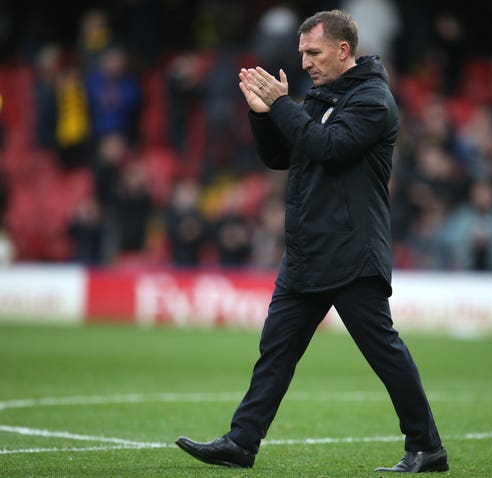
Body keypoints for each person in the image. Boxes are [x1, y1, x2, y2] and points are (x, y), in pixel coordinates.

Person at [175, 9, 448, 474]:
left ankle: (427, 447)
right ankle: (242, 441)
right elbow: (282, 155)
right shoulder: (324, 95)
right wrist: (263, 114)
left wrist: (283, 105)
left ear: (344, 51)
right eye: (302, 52)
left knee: (383, 352)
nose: (304, 62)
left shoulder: (373, 100)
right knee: (275, 350)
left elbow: (327, 147)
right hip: (307, 250)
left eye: (313, 52)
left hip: (351, 251)